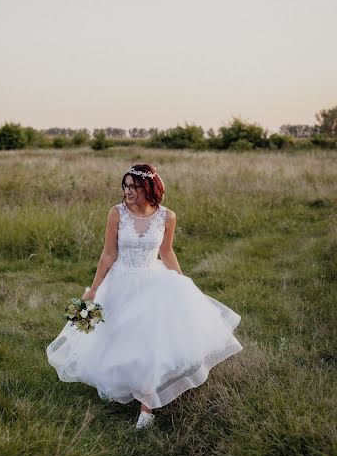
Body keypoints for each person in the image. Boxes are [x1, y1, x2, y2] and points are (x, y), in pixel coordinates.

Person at [46, 163, 243, 430]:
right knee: (116, 338)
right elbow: (108, 254)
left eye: (133, 186)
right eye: (125, 186)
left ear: (148, 188)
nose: (127, 191)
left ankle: (146, 408)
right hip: (120, 281)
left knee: (151, 341)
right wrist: (93, 290)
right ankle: (123, 386)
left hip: (154, 281)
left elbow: (167, 252)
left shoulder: (167, 216)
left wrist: (181, 281)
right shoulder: (116, 213)